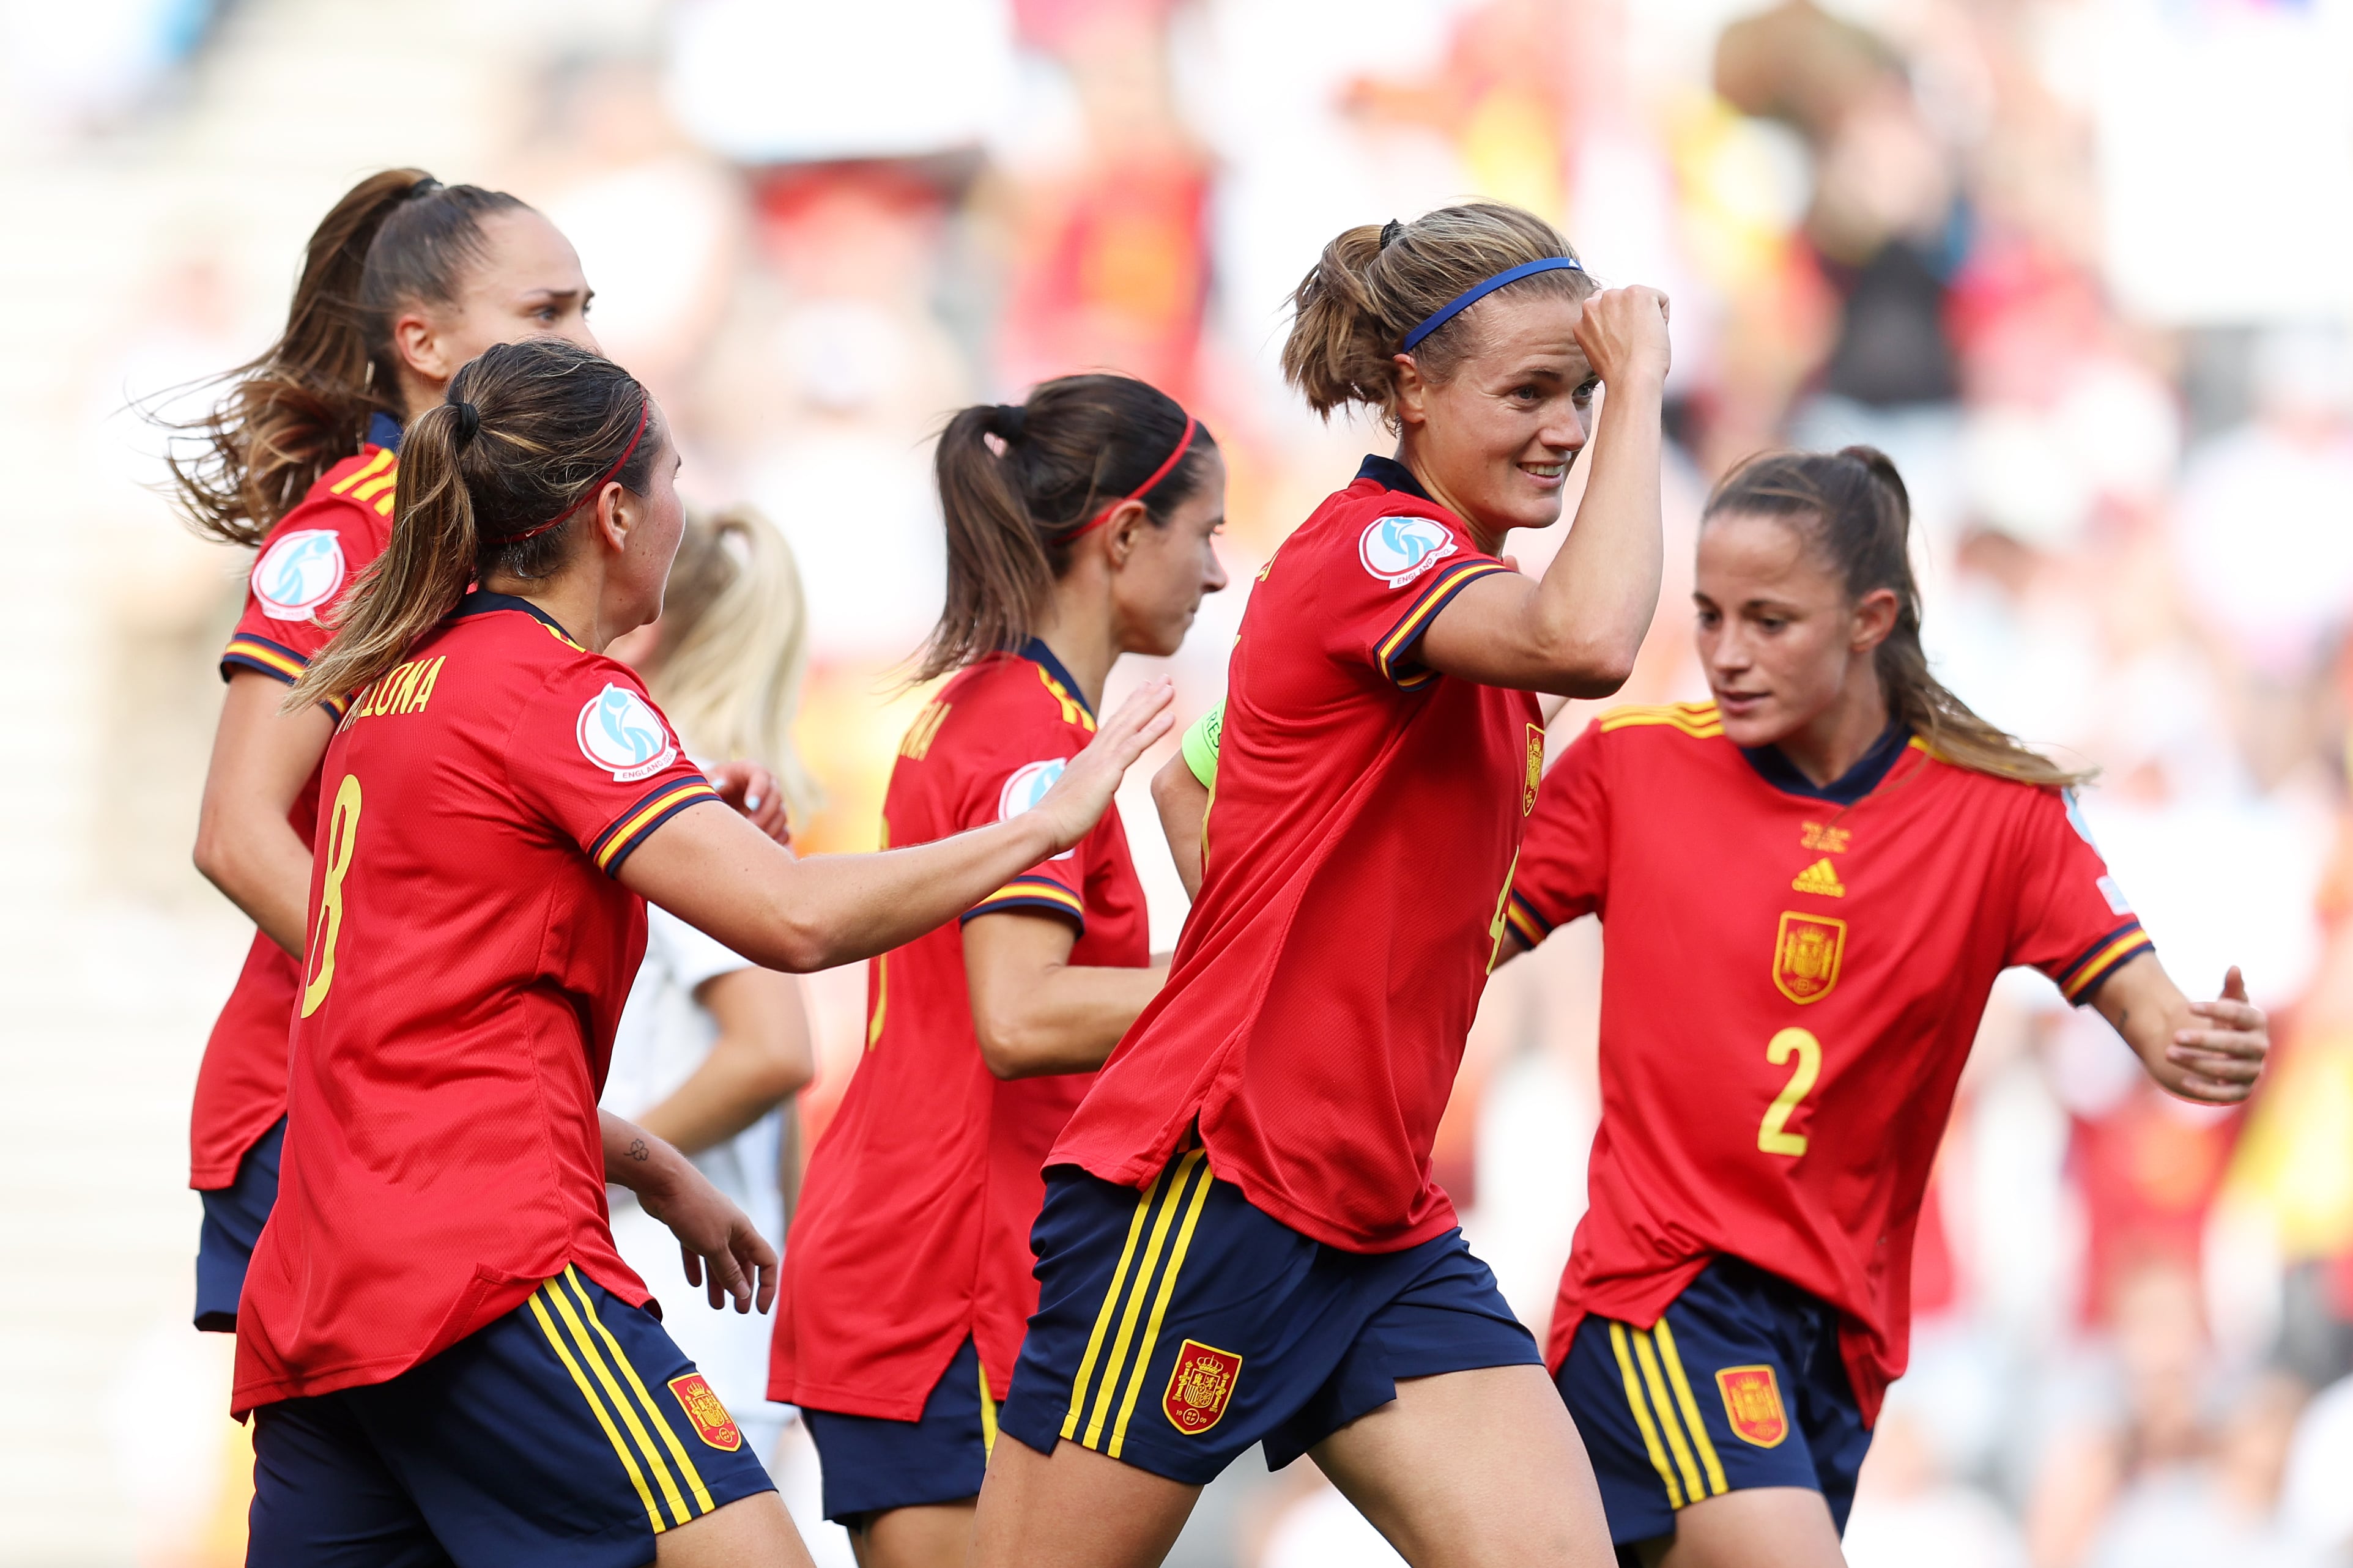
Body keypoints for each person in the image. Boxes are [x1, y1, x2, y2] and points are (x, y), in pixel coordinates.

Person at [234, 338, 1171, 1567]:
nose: (686, 509)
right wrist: (1043, 826)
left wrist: (650, 1163)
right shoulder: (563, 699)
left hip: (321, 1287)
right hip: (486, 1271)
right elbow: (795, 920)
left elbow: (406, 1025)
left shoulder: (397, 689)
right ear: (615, 513)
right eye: (673, 479)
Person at [973, 201, 1672, 1568]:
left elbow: (1217, 805)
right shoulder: (1377, 552)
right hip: (1212, 1187)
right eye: (1529, 390)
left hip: (1374, 1212)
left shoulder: (1445, 593)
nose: (1568, 426)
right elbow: (1589, 638)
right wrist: (1646, 381)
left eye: (1582, 390)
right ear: (1408, 389)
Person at [1492, 449, 2267, 1566]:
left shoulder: (2002, 817)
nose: (1726, 654)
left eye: (1769, 620)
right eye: (1709, 616)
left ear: (1871, 620)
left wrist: (2204, 1044)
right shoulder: (1633, 768)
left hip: (1841, 1334)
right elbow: (1447, 954)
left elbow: (2156, 1015)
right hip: (1664, 1300)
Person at [171, 169, 701, 1333]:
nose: (588, 341)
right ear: (422, 341)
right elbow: (236, 828)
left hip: (414, 1110)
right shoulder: (361, 526)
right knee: (627, 1493)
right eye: (546, 313)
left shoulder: (488, 540)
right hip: (331, 1100)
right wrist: (409, 1019)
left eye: (586, 307)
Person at [769, 374, 1228, 1568]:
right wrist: (1249, 991)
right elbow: (1018, 1014)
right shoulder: (1031, 740)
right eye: (1206, 533)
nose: (1218, 573)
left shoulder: (1000, 710)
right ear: (1125, 531)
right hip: (949, 1279)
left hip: (930, 1248)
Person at [602, 504, 825, 1466]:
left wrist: (602, 1163)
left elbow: (771, 1050)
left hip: (670, 1300)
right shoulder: (703, 789)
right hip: (712, 1314)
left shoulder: (678, 799)